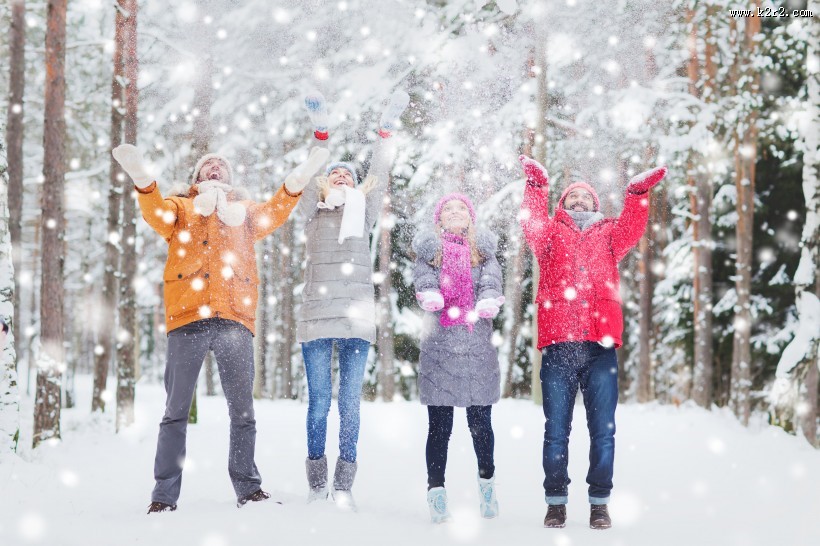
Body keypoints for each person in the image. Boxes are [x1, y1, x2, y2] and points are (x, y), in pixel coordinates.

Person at [112, 142, 328, 513]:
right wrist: (143, 181)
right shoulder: (181, 208)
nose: (215, 168)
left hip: (234, 318)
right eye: (208, 165)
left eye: (221, 166)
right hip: (188, 318)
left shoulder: (244, 213)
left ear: (230, 178)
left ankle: (248, 488)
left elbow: (277, 211)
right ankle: (164, 496)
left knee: (243, 411)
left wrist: (299, 178)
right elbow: (155, 213)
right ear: (196, 177)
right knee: (175, 411)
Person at [518, 155, 667, 529]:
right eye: (572, 197)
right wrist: (536, 187)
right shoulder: (550, 235)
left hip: (600, 346)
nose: (580, 201)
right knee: (556, 431)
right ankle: (556, 501)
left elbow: (634, 226)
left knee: (603, 431)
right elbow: (532, 223)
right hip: (559, 344)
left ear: (596, 205)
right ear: (562, 204)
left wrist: (637, 193)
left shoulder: (610, 235)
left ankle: (599, 502)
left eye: (586, 197)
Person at [296, 90, 408, 511]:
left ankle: (344, 484)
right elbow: (309, 174)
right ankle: (316, 481)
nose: (342, 178)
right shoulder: (314, 211)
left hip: (357, 319)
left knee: (350, 405)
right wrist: (320, 135)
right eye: (336, 175)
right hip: (316, 319)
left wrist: (387, 130)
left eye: (348, 175)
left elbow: (382, 166)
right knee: (319, 403)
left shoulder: (365, 212)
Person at [411, 193, 505, 523]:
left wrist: (489, 300)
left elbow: (492, 282)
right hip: (440, 349)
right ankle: (436, 492)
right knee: (439, 428)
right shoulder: (428, 254)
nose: (454, 212)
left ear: (471, 216)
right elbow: (421, 279)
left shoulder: (486, 254)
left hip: (477, 346)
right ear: (438, 220)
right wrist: (429, 293)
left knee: (481, 426)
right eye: (447, 208)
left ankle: (487, 486)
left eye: (460, 208)